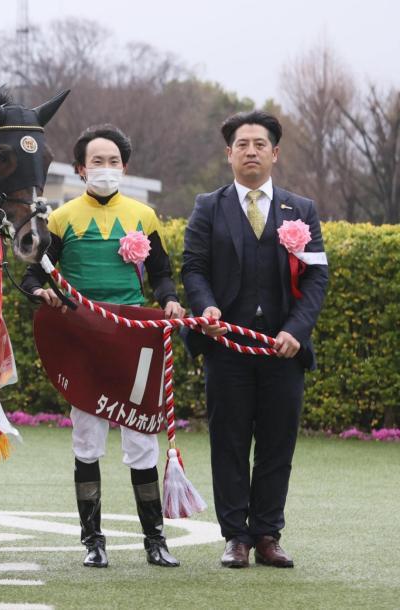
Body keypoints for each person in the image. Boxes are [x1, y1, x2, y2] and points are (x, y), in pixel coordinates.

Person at [22, 124, 184, 568]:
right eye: (97, 161)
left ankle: (155, 541)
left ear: (126, 168)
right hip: (84, 339)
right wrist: (42, 293)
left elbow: (162, 274)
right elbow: (33, 274)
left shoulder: (144, 216)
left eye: (114, 161)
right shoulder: (61, 217)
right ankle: (93, 542)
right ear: (80, 169)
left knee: (141, 442)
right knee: (87, 441)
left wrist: (169, 299)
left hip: (134, 340)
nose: (106, 169)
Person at [182, 110, 328, 568]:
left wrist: (295, 331)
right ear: (229, 154)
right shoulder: (209, 205)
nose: (251, 151)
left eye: (259, 144)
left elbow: (318, 278)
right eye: (242, 144)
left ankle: (267, 534)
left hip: (282, 351)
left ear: (275, 153)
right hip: (226, 349)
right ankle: (236, 537)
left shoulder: (300, 210)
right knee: (228, 443)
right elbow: (194, 268)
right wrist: (205, 308)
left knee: (276, 445)